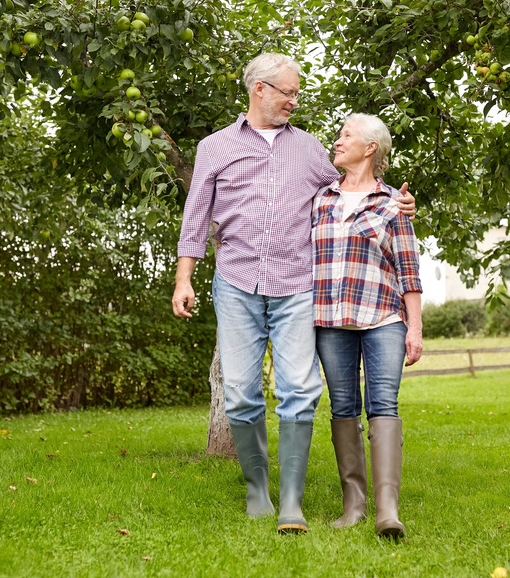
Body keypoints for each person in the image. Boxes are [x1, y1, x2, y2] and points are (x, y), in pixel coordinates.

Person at [172, 54, 414, 534]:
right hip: (236, 282)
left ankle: (291, 503)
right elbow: (196, 215)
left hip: (298, 285)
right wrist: (184, 278)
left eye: (296, 93)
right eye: (288, 92)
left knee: (299, 391)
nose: (294, 101)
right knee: (241, 394)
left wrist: (396, 200)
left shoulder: (308, 149)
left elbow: (350, 192)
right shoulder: (214, 147)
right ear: (260, 89)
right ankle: (257, 488)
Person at [311, 113, 423, 539]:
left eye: (345, 135)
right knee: (343, 408)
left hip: (382, 318)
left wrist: (414, 329)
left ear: (370, 147)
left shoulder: (394, 202)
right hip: (330, 320)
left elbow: (409, 271)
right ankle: (353, 504)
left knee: (383, 406)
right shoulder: (321, 198)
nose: (337, 141)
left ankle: (387, 511)